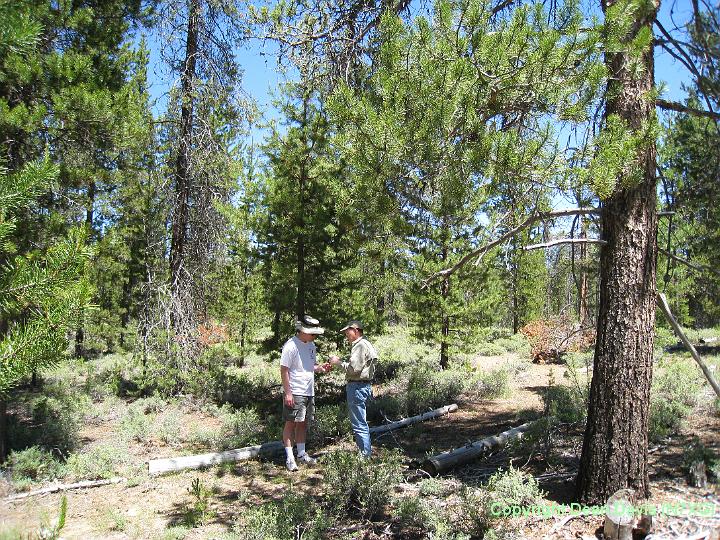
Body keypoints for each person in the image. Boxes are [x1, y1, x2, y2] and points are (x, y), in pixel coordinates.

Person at [280, 315, 329, 472]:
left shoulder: (311, 344)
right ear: (303, 330)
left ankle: (301, 453)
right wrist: (288, 393)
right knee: (291, 423)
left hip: (309, 391)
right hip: (295, 391)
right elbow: (284, 370)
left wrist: (319, 368)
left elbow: (309, 366)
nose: (314, 336)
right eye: (312, 333)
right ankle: (290, 458)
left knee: (303, 423)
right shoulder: (291, 345)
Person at [329, 320, 377, 457]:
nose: (346, 335)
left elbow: (353, 370)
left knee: (359, 423)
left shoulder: (360, 345)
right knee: (362, 422)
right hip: (363, 386)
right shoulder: (366, 344)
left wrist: (337, 362)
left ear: (355, 331)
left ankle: (364, 456)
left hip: (357, 387)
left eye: (347, 332)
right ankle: (365, 453)